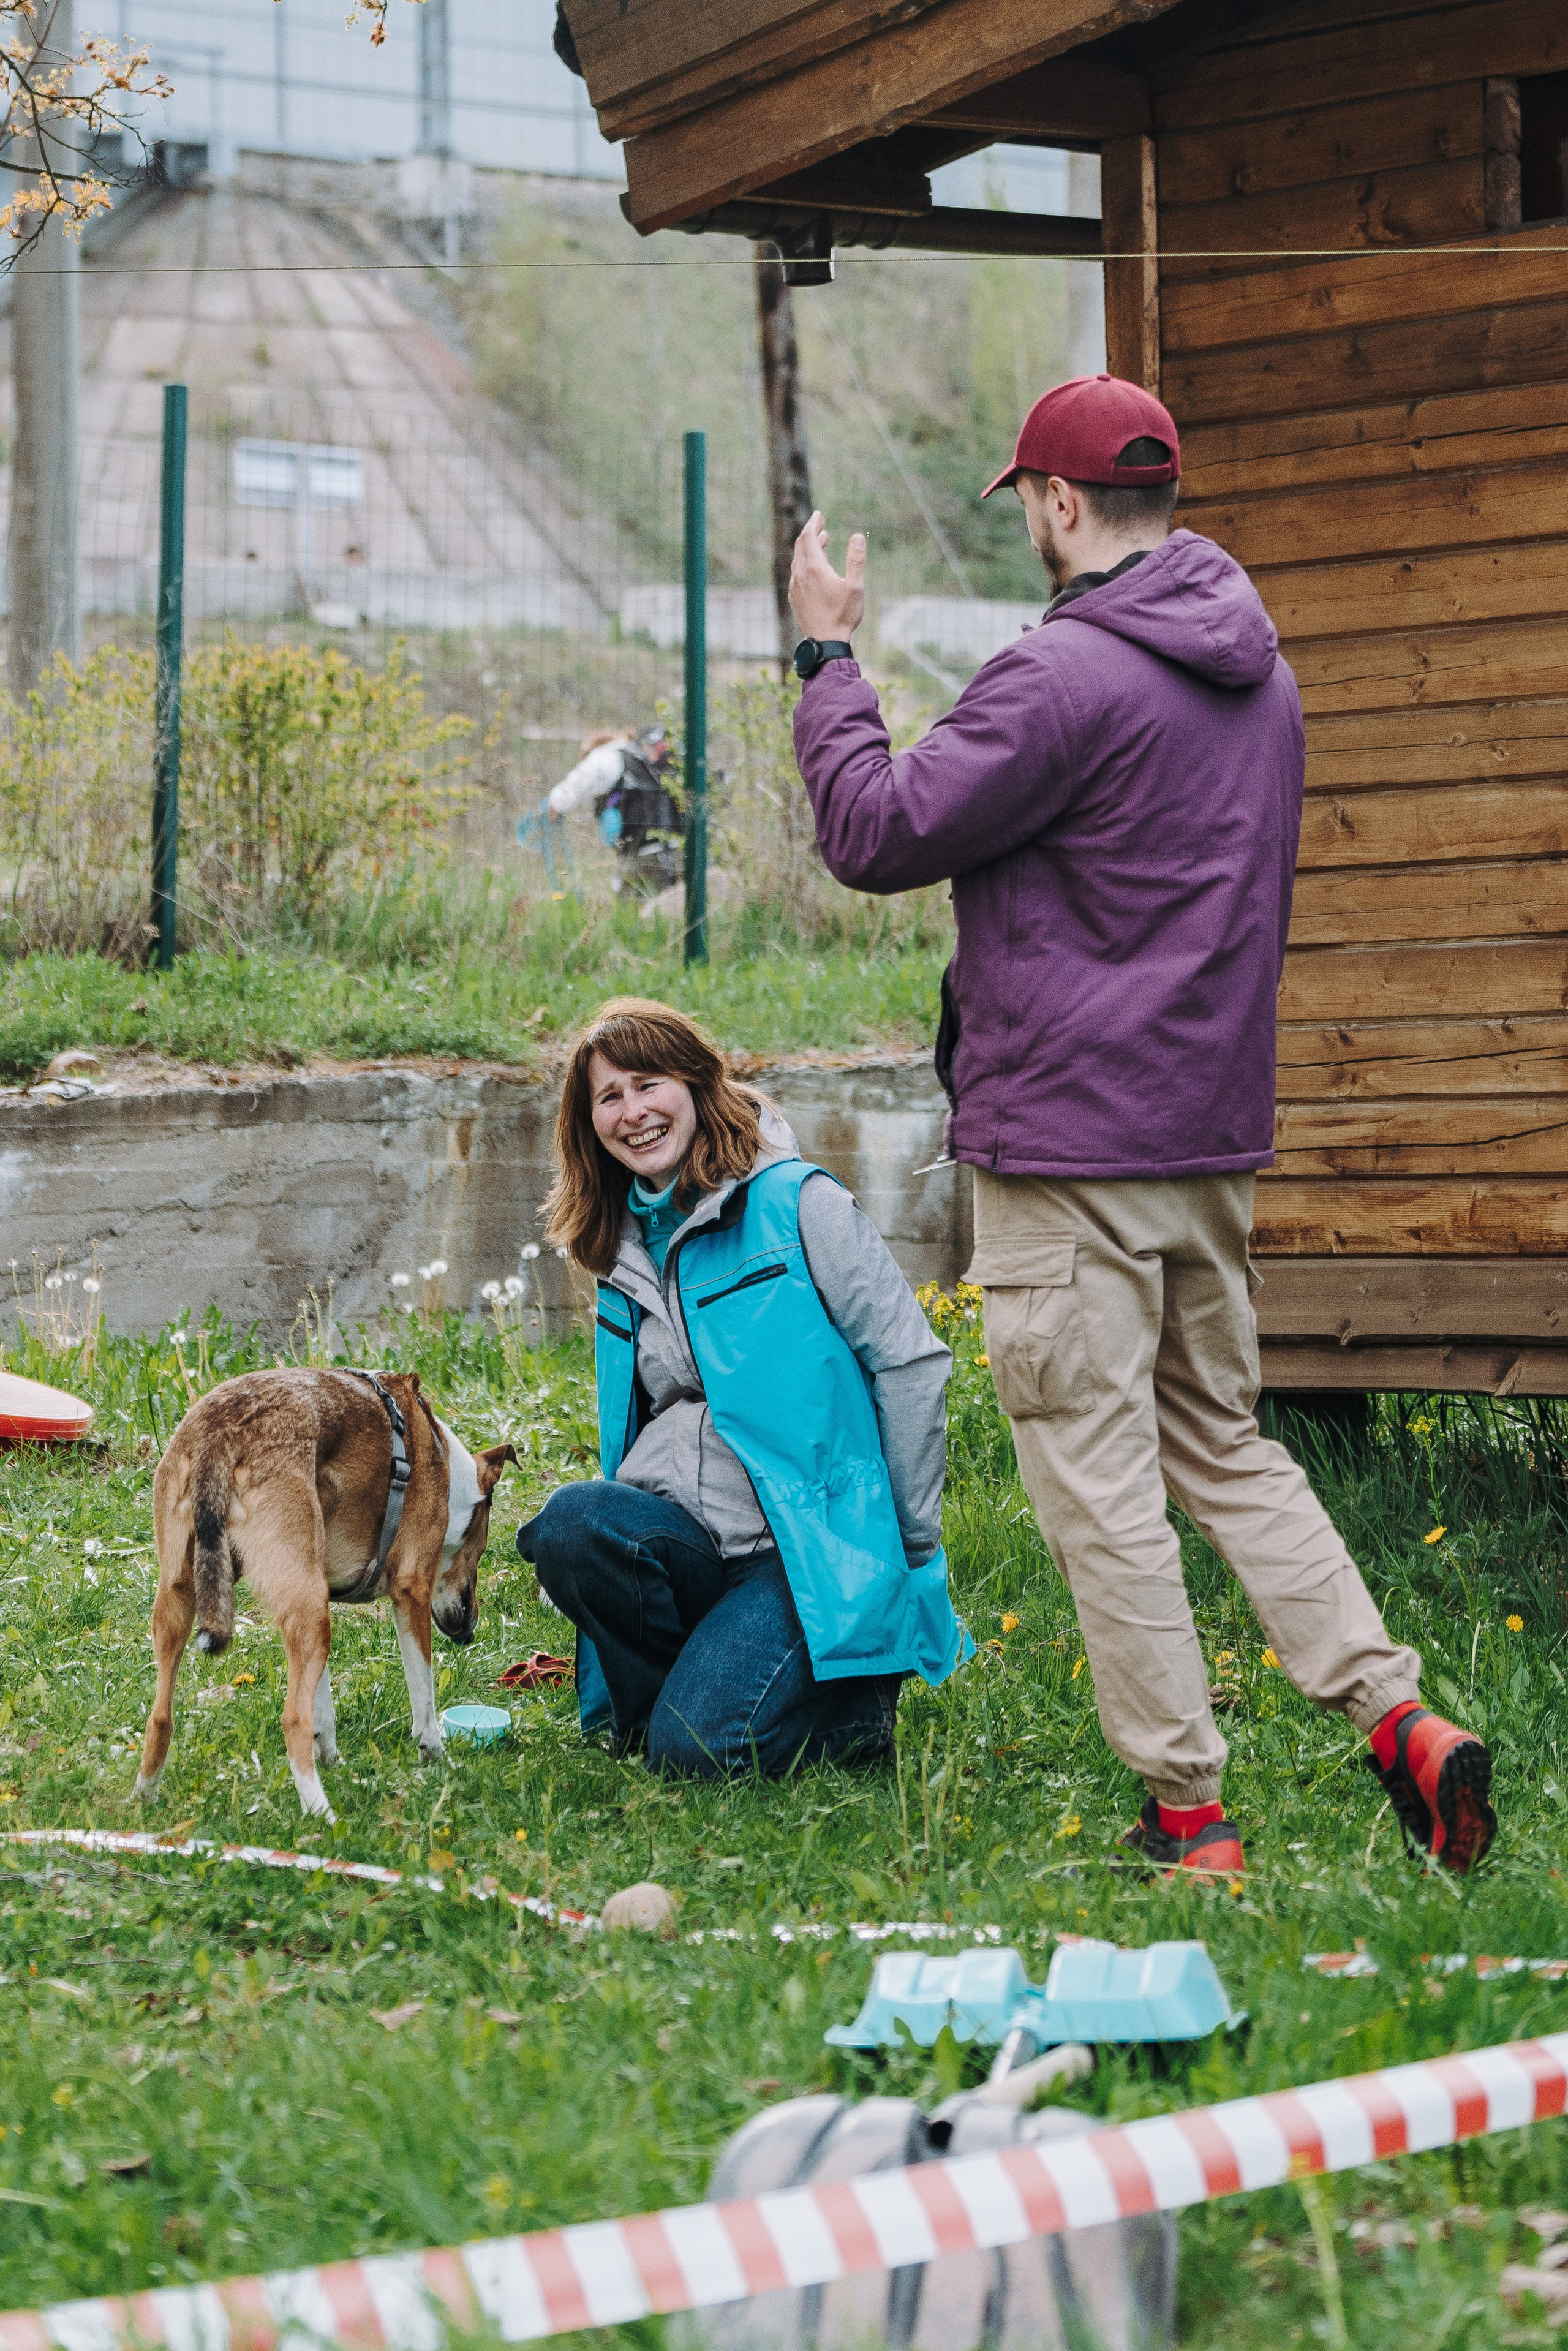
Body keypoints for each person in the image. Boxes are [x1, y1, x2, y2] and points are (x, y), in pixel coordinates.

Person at [786, 372, 1496, 1876]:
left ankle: (1188, 1815)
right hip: (1205, 1142)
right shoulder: (1261, 677)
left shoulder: (1058, 678)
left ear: (1054, 501)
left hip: (1068, 1153)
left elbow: (874, 830)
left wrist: (826, 655)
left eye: (1026, 502)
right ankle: (1396, 1719)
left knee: (1099, 1487)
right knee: (1221, 1444)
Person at [516, 997, 971, 1775]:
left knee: (699, 1752)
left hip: (803, 1548)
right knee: (570, 1521)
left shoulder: (799, 1203)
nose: (633, 1112)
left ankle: (850, 1710)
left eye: (648, 1083)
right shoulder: (619, 1244)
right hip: (691, 1535)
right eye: (609, 1096)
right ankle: (676, 1703)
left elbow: (908, 1362)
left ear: (696, 1083)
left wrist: (906, 1541)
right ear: (587, 1122)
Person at [546, 725, 683, 894]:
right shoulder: (641, 757)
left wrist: (551, 809)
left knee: (630, 908)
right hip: (679, 849)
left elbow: (571, 790)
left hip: (643, 855)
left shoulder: (607, 755)